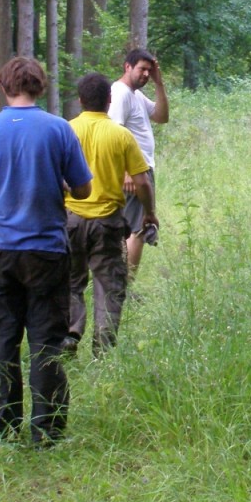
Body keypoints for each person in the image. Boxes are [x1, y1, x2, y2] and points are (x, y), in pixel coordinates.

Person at [0, 57, 93, 446]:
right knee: (46, 340)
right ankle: (46, 431)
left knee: (2, 339)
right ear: (39, 86)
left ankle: (2, 429)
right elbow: (84, 189)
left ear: (4, 86)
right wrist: (59, 189)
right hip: (47, 250)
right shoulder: (59, 129)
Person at [65, 73, 158, 356]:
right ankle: (103, 347)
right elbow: (142, 182)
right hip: (107, 222)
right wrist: (149, 213)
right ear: (108, 100)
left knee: (70, 281)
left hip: (70, 219)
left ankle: (70, 333)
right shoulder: (121, 135)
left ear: (80, 100)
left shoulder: (66, 131)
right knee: (109, 284)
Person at [108, 48, 168, 281]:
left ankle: (122, 283)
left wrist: (159, 84)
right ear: (127, 67)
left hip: (141, 169)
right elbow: (114, 133)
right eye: (142, 69)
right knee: (138, 229)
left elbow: (162, 117)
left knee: (136, 228)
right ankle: (125, 286)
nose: (145, 74)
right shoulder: (120, 92)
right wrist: (125, 171)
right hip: (134, 173)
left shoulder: (135, 95)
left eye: (149, 71)